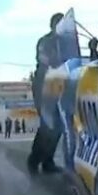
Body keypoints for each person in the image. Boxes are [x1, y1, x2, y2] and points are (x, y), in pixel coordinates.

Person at [27, 13, 65, 174]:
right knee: (48, 123)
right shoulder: (45, 41)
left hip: (59, 83)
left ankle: (48, 160)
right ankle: (34, 159)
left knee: (58, 124)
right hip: (44, 83)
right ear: (53, 25)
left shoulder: (66, 43)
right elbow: (44, 59)